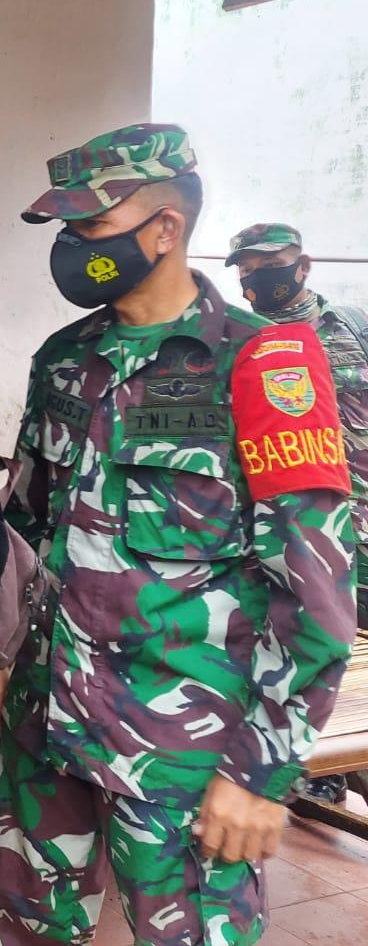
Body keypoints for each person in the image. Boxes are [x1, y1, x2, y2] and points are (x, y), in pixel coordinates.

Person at [0, 126, 356, 946]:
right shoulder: (63, 361)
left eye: (91, 227)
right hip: (46, 733)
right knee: (22, 931)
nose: (75, 248)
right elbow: (23, 528)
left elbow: (317, 591)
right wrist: (0, 658)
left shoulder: (262, 364)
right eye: (67, 231)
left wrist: (260, 770)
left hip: (183, 753)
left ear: (165, 229)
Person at [227, 222, 368, 806]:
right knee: (301, 645)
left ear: (303, 265)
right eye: (247, 269)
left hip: (362, 523)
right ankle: (312, 767)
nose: (257, 277)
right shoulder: (239, 342)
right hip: (293, 535)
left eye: (270, 264)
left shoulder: (353, 328)